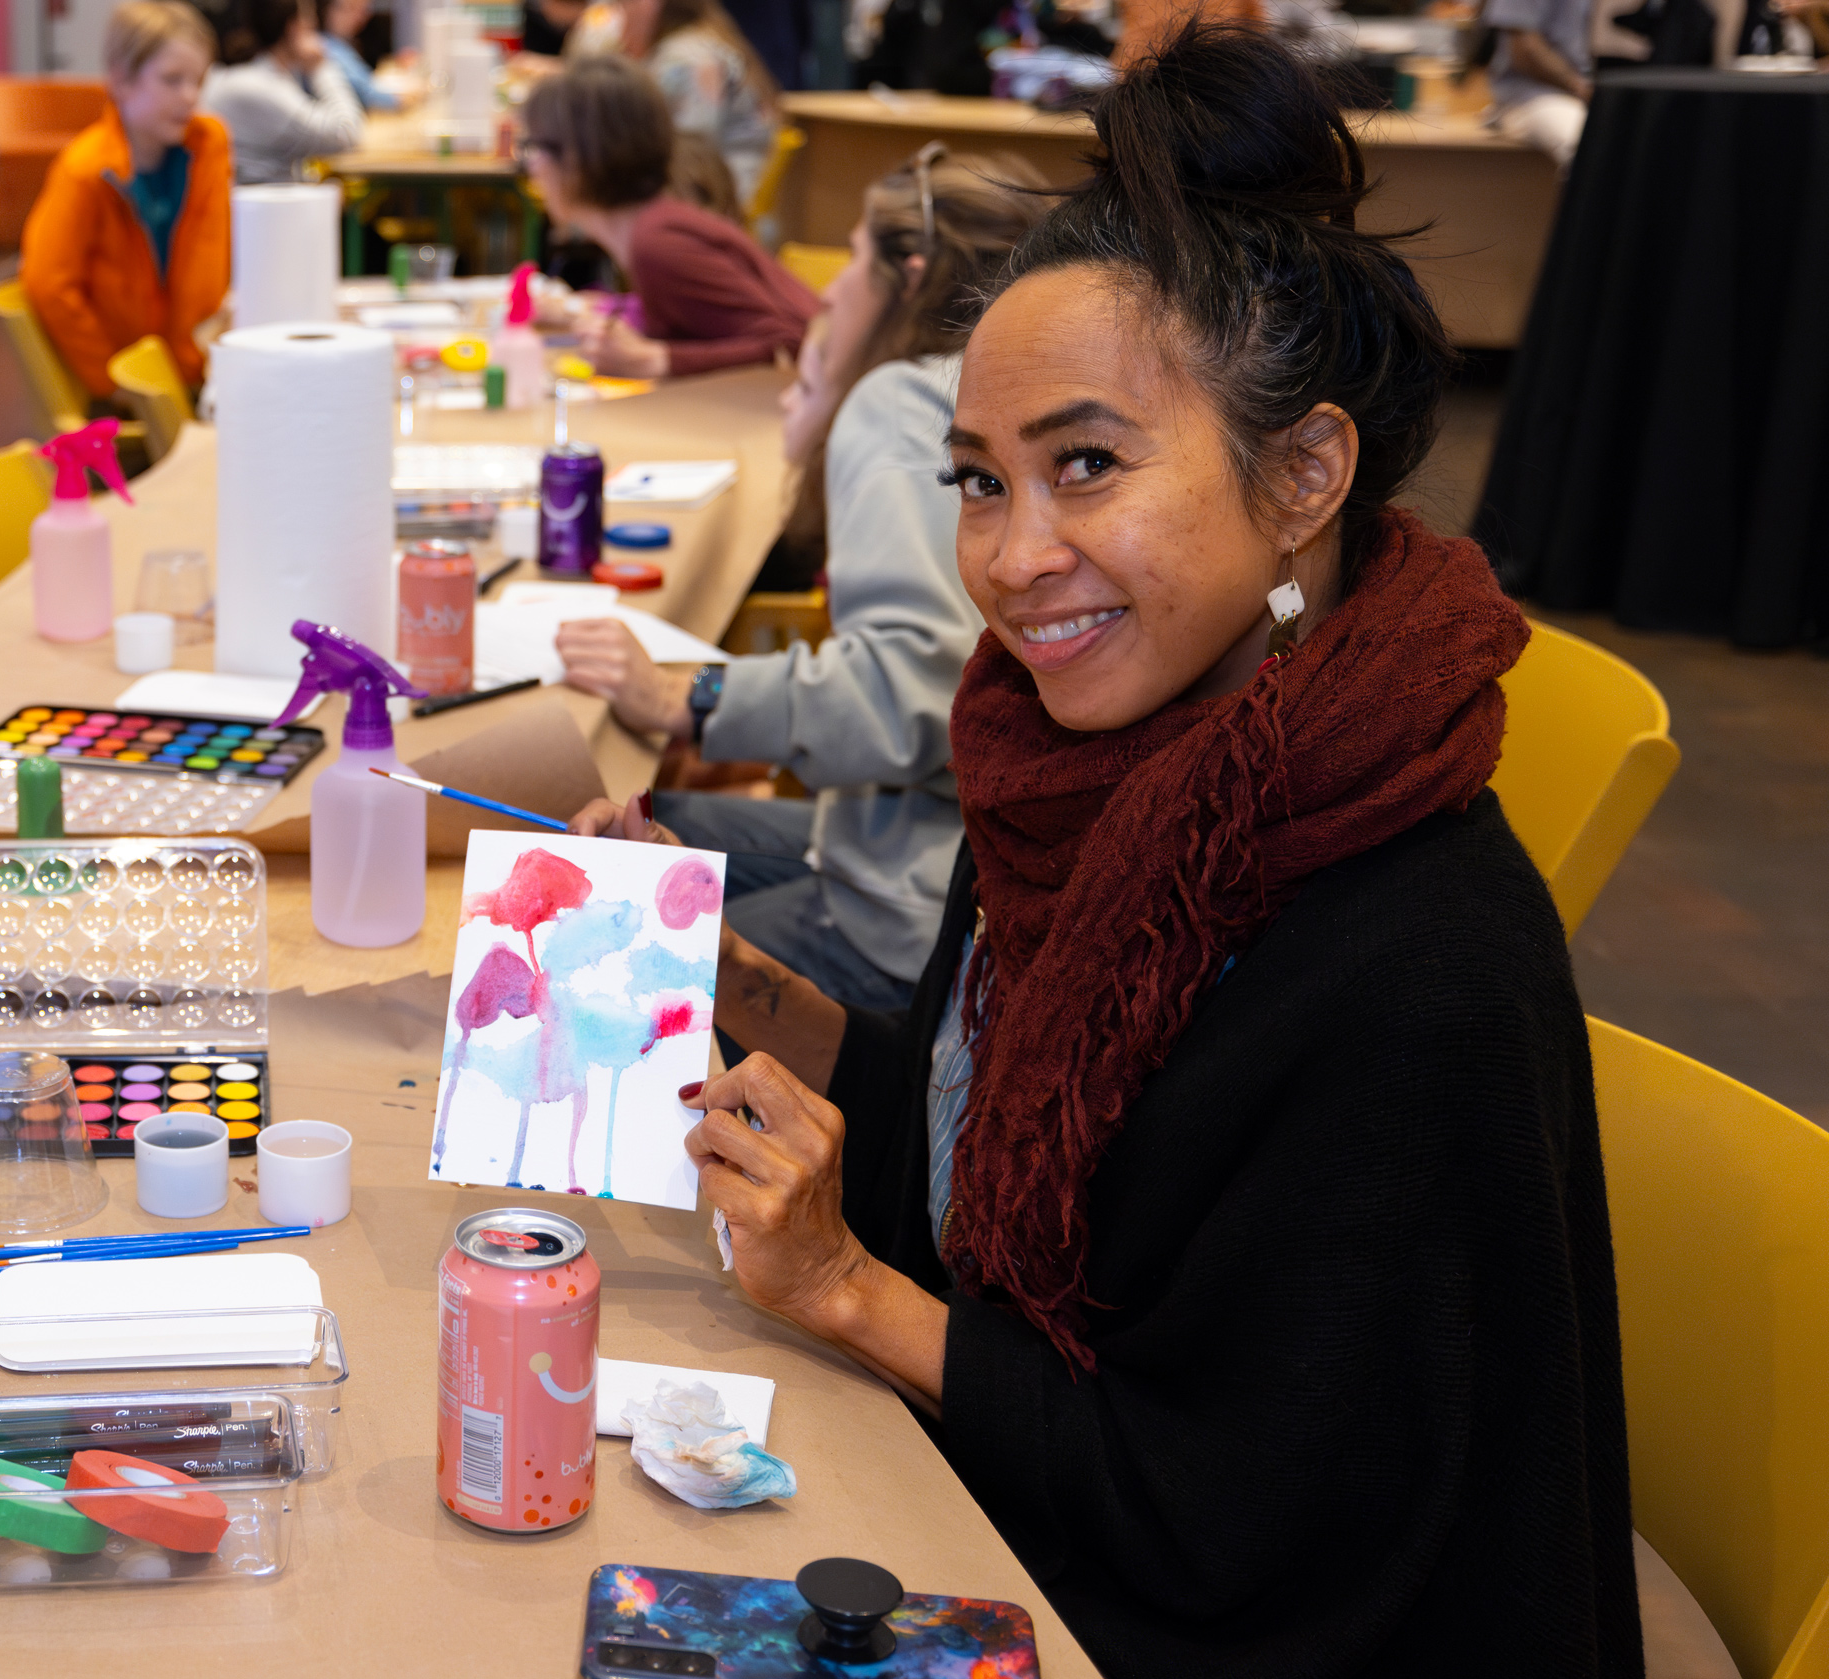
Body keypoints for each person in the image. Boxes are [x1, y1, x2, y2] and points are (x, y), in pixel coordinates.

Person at [573, 25, 1636, 1673]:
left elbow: (1234, 1516)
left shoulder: (1412, 952)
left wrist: (852, 1287)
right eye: (978, 481)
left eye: (1087, 464)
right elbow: (971, 1112)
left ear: (1304, 474)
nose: (1011, 557)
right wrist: (716, 971)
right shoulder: (1078, 782)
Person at [557, 145, 1045, 1012]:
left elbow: (911, 688)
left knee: (591, 940)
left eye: (854, 255)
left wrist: (694, 698)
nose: (827, 290)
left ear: (912, 274)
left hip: (921, 915)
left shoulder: (901, 401)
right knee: (644, 825)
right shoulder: (997, 391)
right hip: (943, 849)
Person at [519, 59, 815, 377]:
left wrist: (658, 360)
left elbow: (792, 344)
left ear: (578, 159)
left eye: (535, 148)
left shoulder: (658, 245)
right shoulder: (654, 227)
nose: (532, 166)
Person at [20, 0, 233, 399]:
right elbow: (48, 285)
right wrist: (114, 381)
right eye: (172, 80)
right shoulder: (85, 170)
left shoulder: (209, 145)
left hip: (197, 374)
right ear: (121, 80)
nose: (190, 96)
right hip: (120, 392)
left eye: (198, 81)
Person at [615, 0, 779, 206]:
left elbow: (688, 163)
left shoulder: (686, 61)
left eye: (625, 5)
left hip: (717, 208)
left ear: (651, 6)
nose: (619, 20)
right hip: (724, 199)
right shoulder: (702, 41)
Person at [202, 0, 366, 186]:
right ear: (294, 28)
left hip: (269, 201)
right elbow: (345, 133)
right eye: (309, 20)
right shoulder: (260, 87)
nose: (314, 27)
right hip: (263, 208)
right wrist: (321, 67)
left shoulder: (263, 74)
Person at [1484, 0, 1597, 169]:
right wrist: (1580, 87)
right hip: (1537, 94)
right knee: (1589, 146)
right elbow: (1523, 48)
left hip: (1604, 92)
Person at [321, 0, 403, 109]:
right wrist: (402, 100)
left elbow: (366, 81)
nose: (359, 17)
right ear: (328, 9)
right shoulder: (326, 48)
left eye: (363, 10)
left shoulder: (343, 42)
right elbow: (365, 94)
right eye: (351, 8)